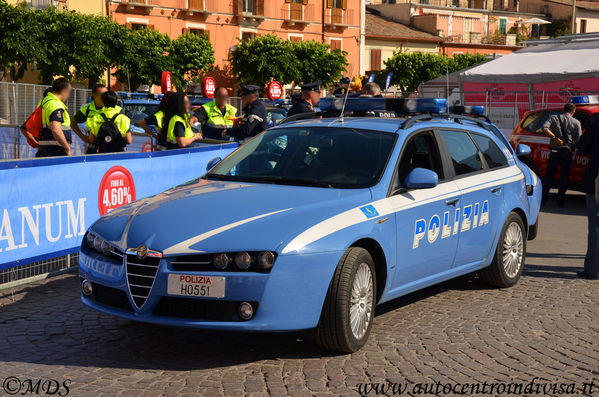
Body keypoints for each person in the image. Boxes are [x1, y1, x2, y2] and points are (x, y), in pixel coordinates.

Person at [541, 103, 582, 207]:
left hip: (554, 152)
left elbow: (544, 128)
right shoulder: (576, 122)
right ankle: (560, 200)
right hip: (567, 153)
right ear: (573, 112)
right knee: (564, 177)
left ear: (564, 110)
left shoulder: (554, 118)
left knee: (549, 177)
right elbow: (578, 141)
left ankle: (543, 200)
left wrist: (554, 138)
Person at [577, 117, 599, 279]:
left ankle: (593, 269)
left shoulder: (595, 122)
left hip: (597, 180)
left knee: (596, 226)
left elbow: (583, 147)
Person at [71, 84, 115, 154]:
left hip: (111, 147)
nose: (105, 97)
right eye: (102, 95)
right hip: (93, 148)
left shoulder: (113, 108)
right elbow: (73, 122)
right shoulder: (87, 109)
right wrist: (82, 137)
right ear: (94, 95)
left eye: (106, 94)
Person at [37, 77, 73, 157]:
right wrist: (67, 148)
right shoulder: (56, 105)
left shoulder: (43, 102)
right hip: (57, 149)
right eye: (69, 91)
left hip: (43, 148)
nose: (69, 95)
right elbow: (56, 129)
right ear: (64, 91)